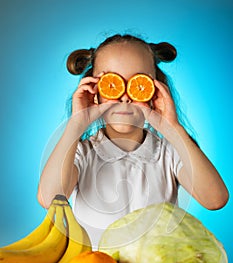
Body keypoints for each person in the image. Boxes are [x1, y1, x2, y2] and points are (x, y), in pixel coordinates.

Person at [37, 33, 229, 248]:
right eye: (112, 83)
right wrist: (76, 124)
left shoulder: (170, 152)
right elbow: (49, 198)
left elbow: (215, 199)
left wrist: (172, 128)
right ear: (95, 91)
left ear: (156, 88)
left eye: (138, 83)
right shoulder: (83, 153)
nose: (125, 96)